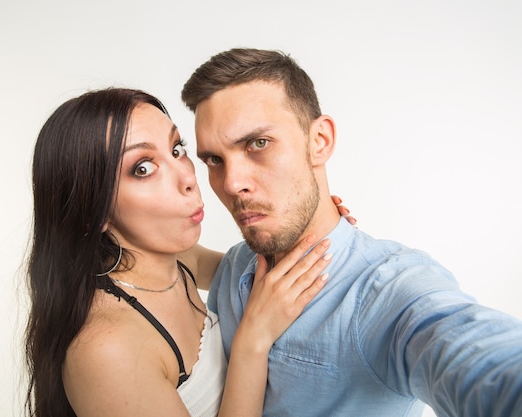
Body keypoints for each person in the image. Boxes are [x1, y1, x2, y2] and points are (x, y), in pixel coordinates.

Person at [181, 48, 522, 417]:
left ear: (319, 141)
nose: (231, 184)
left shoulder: (388, 290)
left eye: (258, 143)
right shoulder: (234, 268)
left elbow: (476, 354)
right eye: (214, 159)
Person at [24, 87, 354, 417]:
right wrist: (254, 340)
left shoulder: (175, 262)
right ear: (94, 211)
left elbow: (256, 272)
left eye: (177, 149)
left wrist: (307, 224)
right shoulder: (107, 349)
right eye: (142, 168)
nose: (187, 177)